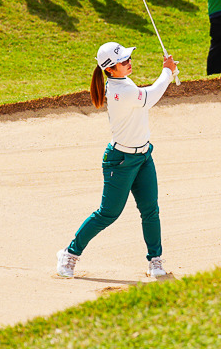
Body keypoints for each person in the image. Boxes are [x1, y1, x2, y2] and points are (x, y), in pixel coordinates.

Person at [56, 41, 178, 281]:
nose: (129, 62)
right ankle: (69, 253)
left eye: (129, 58)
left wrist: (167, 72)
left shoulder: (125, 83)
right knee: (108, 213)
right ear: (110, 69)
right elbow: (150, 96)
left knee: (150, 210)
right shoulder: (120, 90)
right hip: (120, 161)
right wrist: (167, 71)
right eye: (123, 61)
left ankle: (155, 260)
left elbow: (146, 95)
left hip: (143, 157)